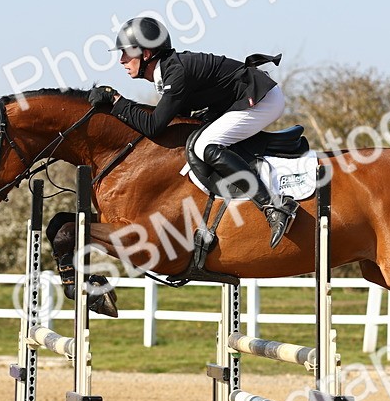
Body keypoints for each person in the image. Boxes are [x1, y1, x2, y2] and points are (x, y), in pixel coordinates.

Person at [87, 16, 299, 249]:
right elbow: (173, 119)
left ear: (145, 54)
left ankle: (274, 206)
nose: (121, 60)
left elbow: (154, 126)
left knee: (204, 145)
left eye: (126, 53)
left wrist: (117, 101)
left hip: (261, 99)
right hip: (240, 99)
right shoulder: (167, 72)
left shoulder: (176, 72)